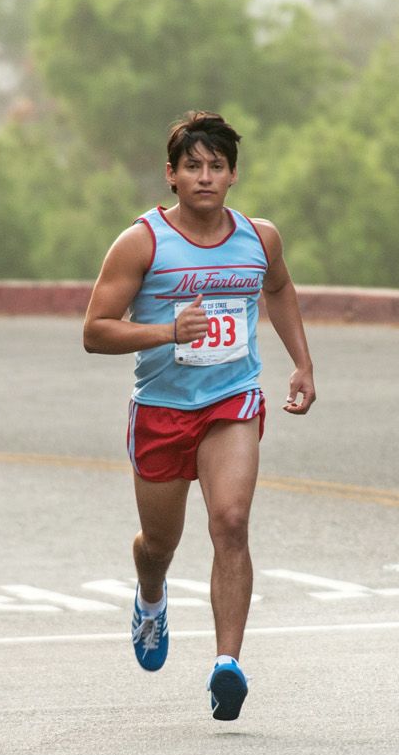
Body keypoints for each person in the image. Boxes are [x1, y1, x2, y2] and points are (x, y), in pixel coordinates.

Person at [82, 110, 317, 721]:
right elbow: (95, 332)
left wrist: (302, 363)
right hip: (161, 410)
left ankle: (226, 666)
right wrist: (165, 330)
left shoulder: (259, 238)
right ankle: (152, 597)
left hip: (231, 400)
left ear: (233, 174)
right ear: (171, 175)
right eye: (193, 166)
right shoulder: (142, 243)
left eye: (217, 166)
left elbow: (281, 288)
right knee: (160, 543)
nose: (205, 177)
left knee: (231, 522)